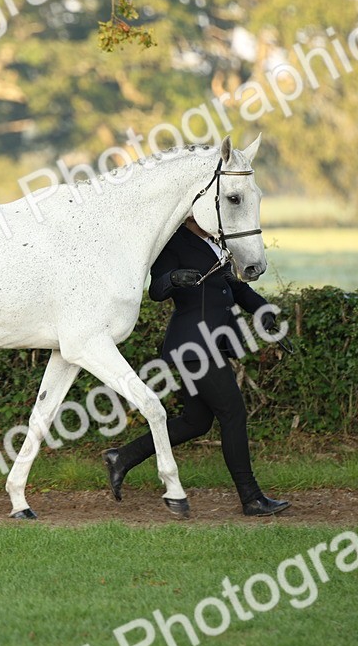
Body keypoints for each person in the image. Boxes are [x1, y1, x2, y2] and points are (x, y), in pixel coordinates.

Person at [102, 216, 290, 516]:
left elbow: (237, 289)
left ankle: (122, 457)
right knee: (233, 413)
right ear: (191, 214)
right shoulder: (172, 242)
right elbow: (156, 290)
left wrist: (264, 311)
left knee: (196, 422)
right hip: (194, 346)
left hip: (212, 344)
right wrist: (174, 279)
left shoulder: (216, 242)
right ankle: (251, 497)